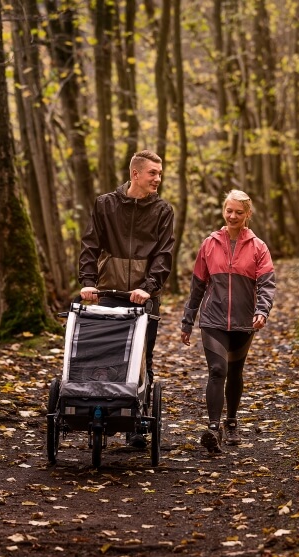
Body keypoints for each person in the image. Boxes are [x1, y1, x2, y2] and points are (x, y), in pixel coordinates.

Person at [78, 150, 175, 447]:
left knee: (141, 357)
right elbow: (90, 245)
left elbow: (164, 254)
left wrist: (149, 286)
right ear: (135, 174)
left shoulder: (163, 210)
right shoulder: (105, 204)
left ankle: (137, 422)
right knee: (106, 355)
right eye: (153, 173)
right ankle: (104, 415)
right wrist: (87, 283)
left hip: (143, 297)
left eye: (160, 173)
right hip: (108, 292)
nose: (158, 178)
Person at [180, 190, 276, 453]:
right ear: (224, 211)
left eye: (239, 212)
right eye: (229, 210)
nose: (233, 216)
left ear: (248, 215)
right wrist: (188, 320)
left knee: (234, 372)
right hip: (213, 319)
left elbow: (267, 284)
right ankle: (214, 429)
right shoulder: (209, 244)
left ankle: (231, 422)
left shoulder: (258, 247)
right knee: (217, 370)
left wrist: (262, 311)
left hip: (245, 322)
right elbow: (197, 286)